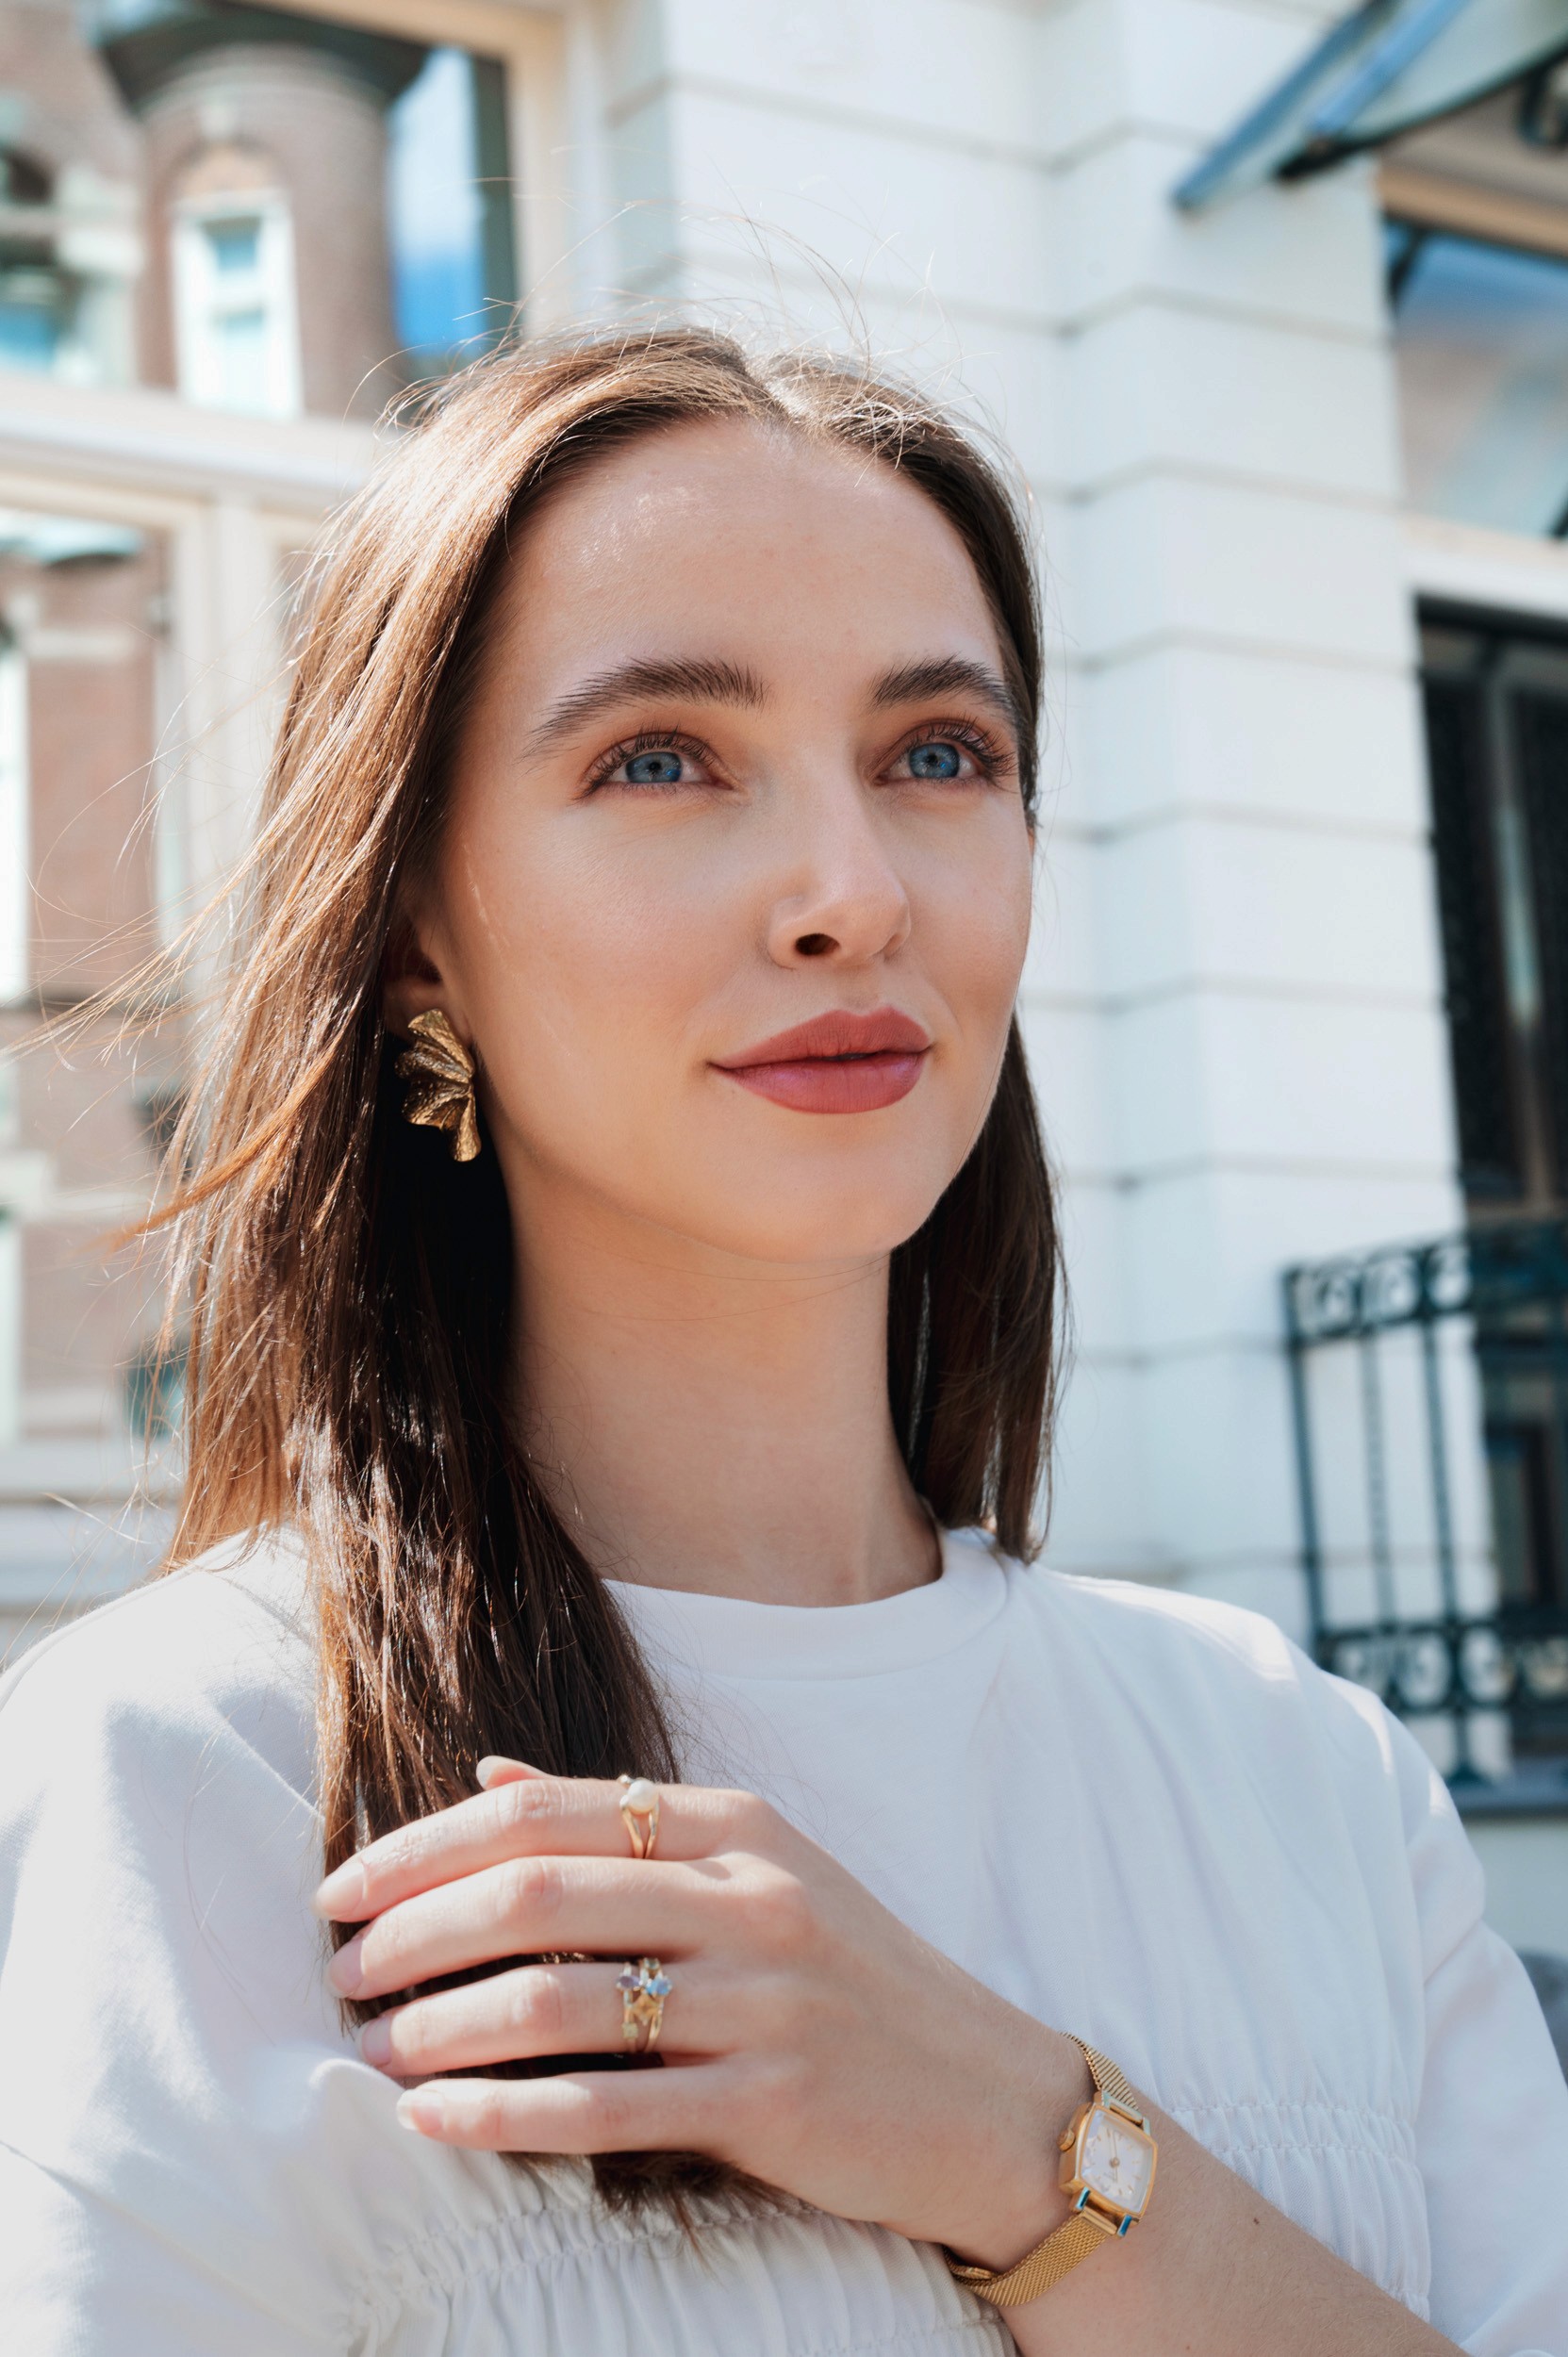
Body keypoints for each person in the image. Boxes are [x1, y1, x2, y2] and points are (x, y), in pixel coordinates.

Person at [0, 329, 1563, 2357]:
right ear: (412, 928)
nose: (852, 893)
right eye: (660, 757)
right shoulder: (185, 1780)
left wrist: (1027, 2141)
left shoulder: (1303, 1774)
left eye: (940, 754)